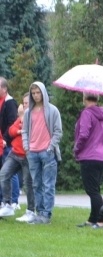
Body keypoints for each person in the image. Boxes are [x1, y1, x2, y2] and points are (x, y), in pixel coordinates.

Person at [22, 81, 62, 225]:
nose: (36, 96)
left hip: (47, 152)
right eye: (33, 93)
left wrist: (50, 147)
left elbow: (58, 131)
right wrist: (26, 147)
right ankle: (39, 213)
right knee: (36, 184)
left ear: (43, 93)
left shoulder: (52, 110)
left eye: (38, 93)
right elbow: (25, 130)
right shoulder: (28, 112)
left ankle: (47, 214)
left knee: (48, 184)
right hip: (32, 152)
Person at [73, 93, 103, 229]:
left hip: (89, 156)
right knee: (95, 189)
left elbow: (83, 134)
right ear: (97, 98)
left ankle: (101, 221)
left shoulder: (87, 113)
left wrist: (76, 149)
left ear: (84, 98)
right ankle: (92, 219)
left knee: (92, 191)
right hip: (101, 156)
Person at [0, 101, 35, 222]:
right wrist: (19, 130)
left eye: (27, 103)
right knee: (4, 174)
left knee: (28, 184)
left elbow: (30, 131)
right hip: (15, 152)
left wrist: (21, 125)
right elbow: (11, 130)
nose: (24, 105)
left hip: (27, 155)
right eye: (24, 103)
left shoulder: (34, 116)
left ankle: (31, 211)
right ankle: (7, 204)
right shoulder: (21, 118)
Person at [0, 77, 20, 210]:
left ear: (5, 88)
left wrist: (6, 139)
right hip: (1, 142)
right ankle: (5, 199)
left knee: (10, 172)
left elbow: (12, 123)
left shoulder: (10, 103)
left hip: (7, 143)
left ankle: (14, 200)